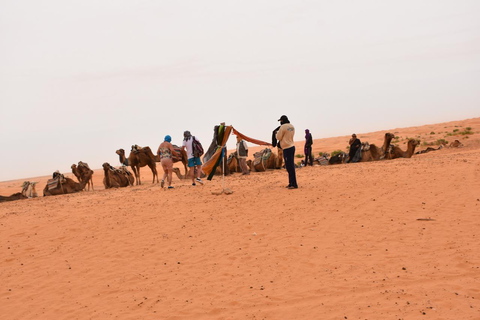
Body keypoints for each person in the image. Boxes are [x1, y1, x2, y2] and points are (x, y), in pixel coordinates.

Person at [276, 115, 298, 189]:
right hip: (292, 146)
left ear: (282, 121)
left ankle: (293, 184)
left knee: (289, 166)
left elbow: (278, 137)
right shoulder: (292, 126)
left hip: (287, 148)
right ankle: (291, 182)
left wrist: (276, 133)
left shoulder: (283, 127)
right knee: (290, 166)